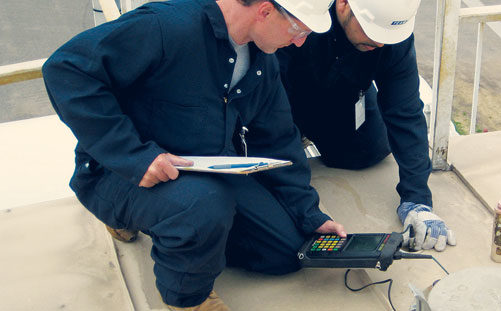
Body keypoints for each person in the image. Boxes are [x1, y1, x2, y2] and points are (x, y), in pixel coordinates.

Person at [42, 0, 344, 310]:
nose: (300, 41)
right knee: (203, 206)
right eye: (299, 29)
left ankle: (183, 229)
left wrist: (309, 214)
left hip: (206, 170)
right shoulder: (166, 27)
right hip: (119, 173)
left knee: (287, 251)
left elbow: (279, 140)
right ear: (265, 10)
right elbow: (66, 69)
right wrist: (133, 157)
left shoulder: (261, 62)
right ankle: (187, 298)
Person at [277, 0, 456, 252]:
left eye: (386, 36)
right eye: (373, 33)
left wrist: (418, 199)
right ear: (343, 4)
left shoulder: (390, 35)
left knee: (368, 151)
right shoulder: (304, 14)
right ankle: (300, 140)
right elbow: (271, 116)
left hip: (347, 92)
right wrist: (301, 201)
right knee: (279, 161)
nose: (381, 43)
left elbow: (405, 111)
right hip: (284, 92)